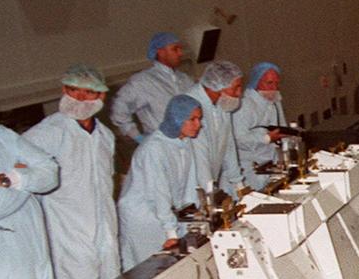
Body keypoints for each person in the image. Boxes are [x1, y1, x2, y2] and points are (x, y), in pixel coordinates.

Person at [23, 65, 119, 279]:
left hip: (105, 229)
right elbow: (17, 170)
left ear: (101, 96)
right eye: (72, 90)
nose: (77, 98)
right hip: (68, 233)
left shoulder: (105, 136)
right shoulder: (48, 133)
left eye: (87, 93)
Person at [117, 95, 202, 270]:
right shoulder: (154, 149)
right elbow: (159, 193)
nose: (198, 124)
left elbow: (189, 183)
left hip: (163, 213)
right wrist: (170, 232)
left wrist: (194, 216)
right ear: (177, 119)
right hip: (143, 216)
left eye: (199, 119)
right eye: (192, 119)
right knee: (149, 270)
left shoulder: (183, 142)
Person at [0, 125, 59, 279]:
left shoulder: (3, 136)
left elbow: (50, 172)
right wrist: (25, 179)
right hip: (6, 256)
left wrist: (10, 180)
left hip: (34, 248)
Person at [110, 32, 195, 142]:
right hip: (162, 145)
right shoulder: (143, 81)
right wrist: (137, 137)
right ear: (160, 52)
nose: (180, 53)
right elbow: (119, 108)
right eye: (175, 49)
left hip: (189, 143)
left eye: (180, 49)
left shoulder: (185, 80)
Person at [189, 61, 246, 198]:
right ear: (218, 87)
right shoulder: (192, 106)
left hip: (211, 180)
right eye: (236, 87)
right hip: (193, 186)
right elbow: (199, 157)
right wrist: (211, 195)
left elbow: (228, 144)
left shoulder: (222, 103)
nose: (239, 93)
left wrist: (238, 183)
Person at [233, 62, 286, 190]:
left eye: (276, 83)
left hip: (270, 163)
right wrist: (266, 138)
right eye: (269, 83)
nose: (274, 88)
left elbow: (282, 125)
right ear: (256, 82)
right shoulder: (244, 105)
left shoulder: (273, 101)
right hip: (250, 168)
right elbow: (238, 139)